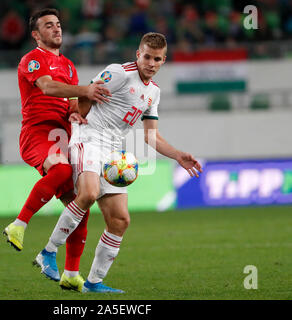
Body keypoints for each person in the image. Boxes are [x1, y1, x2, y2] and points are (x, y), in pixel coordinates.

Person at [35, 32, 203, 293]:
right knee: (89, 193)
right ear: (138, 55)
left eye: (156, 59)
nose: (150, 62)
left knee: (120, 220)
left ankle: (94, 281)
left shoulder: (154, 93)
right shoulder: (119, 73)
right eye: (146, 56)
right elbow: (87, 91)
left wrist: (178, 155)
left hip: (113, 154)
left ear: (163, 61)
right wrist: (77, 113)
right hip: (88, 138)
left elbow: (150, 135)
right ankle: (48, 252)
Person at [2, 8, 111, 291]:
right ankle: (19, 224)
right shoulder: (32, 60)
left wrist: (78, 110)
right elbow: (49, 89)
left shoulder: (70, 65)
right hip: (38, 134)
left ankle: (71, 273)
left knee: (81, 207)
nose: (57, 29)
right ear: (36, 35)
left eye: (59, 24)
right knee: (62, 169)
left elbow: (70, 103)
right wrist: (85, 90)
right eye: (49, 25)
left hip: (62, 135)